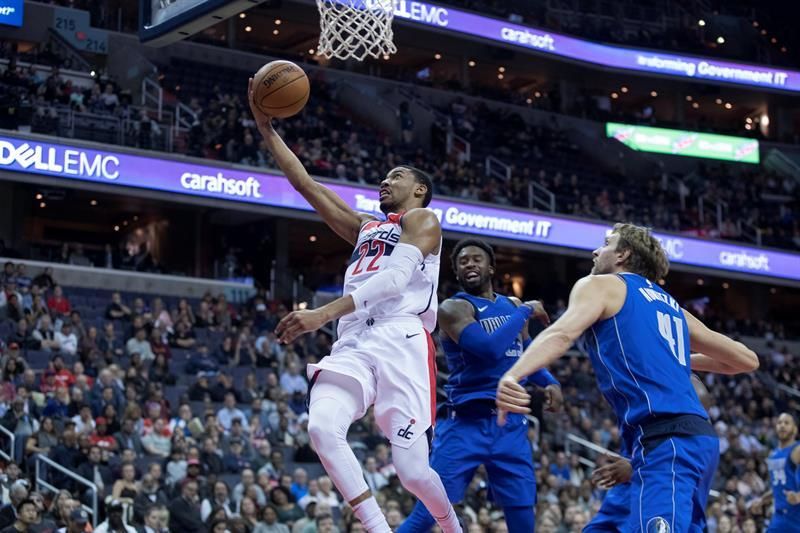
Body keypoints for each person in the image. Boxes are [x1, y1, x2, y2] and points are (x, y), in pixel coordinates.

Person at [249, 79, 460, 533]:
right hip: (355, 339)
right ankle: (377, 528)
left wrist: (322, 314)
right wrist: (266, 129)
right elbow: (305, 184)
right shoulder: (366, 226)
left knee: (413, 473)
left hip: (401, 339)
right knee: (321, 428)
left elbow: (394, 280)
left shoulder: (424, 220)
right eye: (385, 176)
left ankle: (452, 527)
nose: (385, 180)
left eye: (397, 176)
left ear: (420, 190)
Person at [496, 223, 759, 532]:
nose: (596, 251)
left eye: (606, 244)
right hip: (676, 443)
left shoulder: (601, 285)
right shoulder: (672, 307)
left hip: (668, 440)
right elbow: (746, 360)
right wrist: (669, 357)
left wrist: (513, 374)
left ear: (623, 254)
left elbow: (562, 334)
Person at [399, 239, 561, 533]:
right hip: (465, 424)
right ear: (457, 272)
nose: (470, 264)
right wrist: (525, 311)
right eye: (463, 262)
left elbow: (524, 352)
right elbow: (488, 349)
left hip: (510, 424)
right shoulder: (453, 308)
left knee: (523, 517)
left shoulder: (511, 305)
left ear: (492, 267)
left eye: (476, 259)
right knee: (427, 514)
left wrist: (549, 381)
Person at [752, 413, 800, 531]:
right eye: (779, 423)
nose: (782, 425)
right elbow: (778, 487)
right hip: (780, 516)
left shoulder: (797, 450)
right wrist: (762, 500)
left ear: (794, 429)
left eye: (787, 423)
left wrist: (799, 496)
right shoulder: (773, 455)